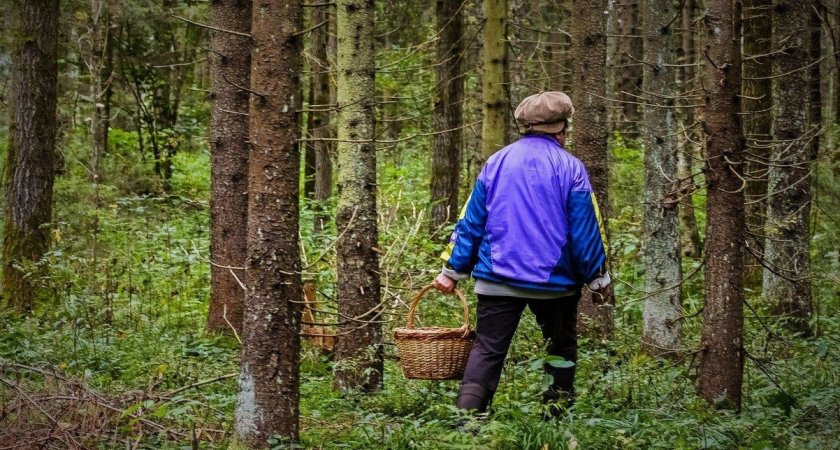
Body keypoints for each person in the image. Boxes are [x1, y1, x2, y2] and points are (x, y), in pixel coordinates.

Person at [434, 91, 610, 416]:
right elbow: (586, 230)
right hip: (555, 285)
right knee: (561, 347)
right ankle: (556, 418)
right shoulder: (571, 168)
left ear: (526, 126)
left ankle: (466, 422)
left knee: (487, 350)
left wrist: (451, 272)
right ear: (562, 129)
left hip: (496, 279)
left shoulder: (496, 162)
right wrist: (598, 280)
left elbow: (471, 222)